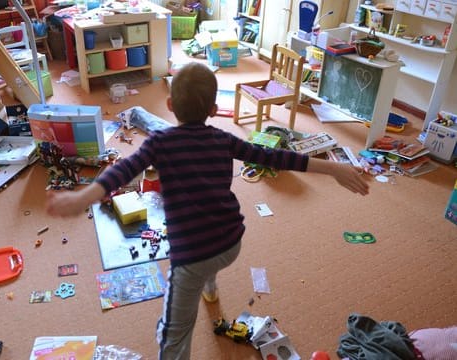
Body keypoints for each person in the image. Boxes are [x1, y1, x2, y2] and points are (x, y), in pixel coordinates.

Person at [46, 62, 369, 359]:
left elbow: (123, 170)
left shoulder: (159, 143)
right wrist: (332, 169)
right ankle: (211, 289)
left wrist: (83, 197)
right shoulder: (225, 139)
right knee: (208, 246)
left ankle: (205, 286)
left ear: (170, 105)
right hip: (231, 243)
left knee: (174, 333)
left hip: (191, 259)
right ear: (214, 110)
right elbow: (274, 156)